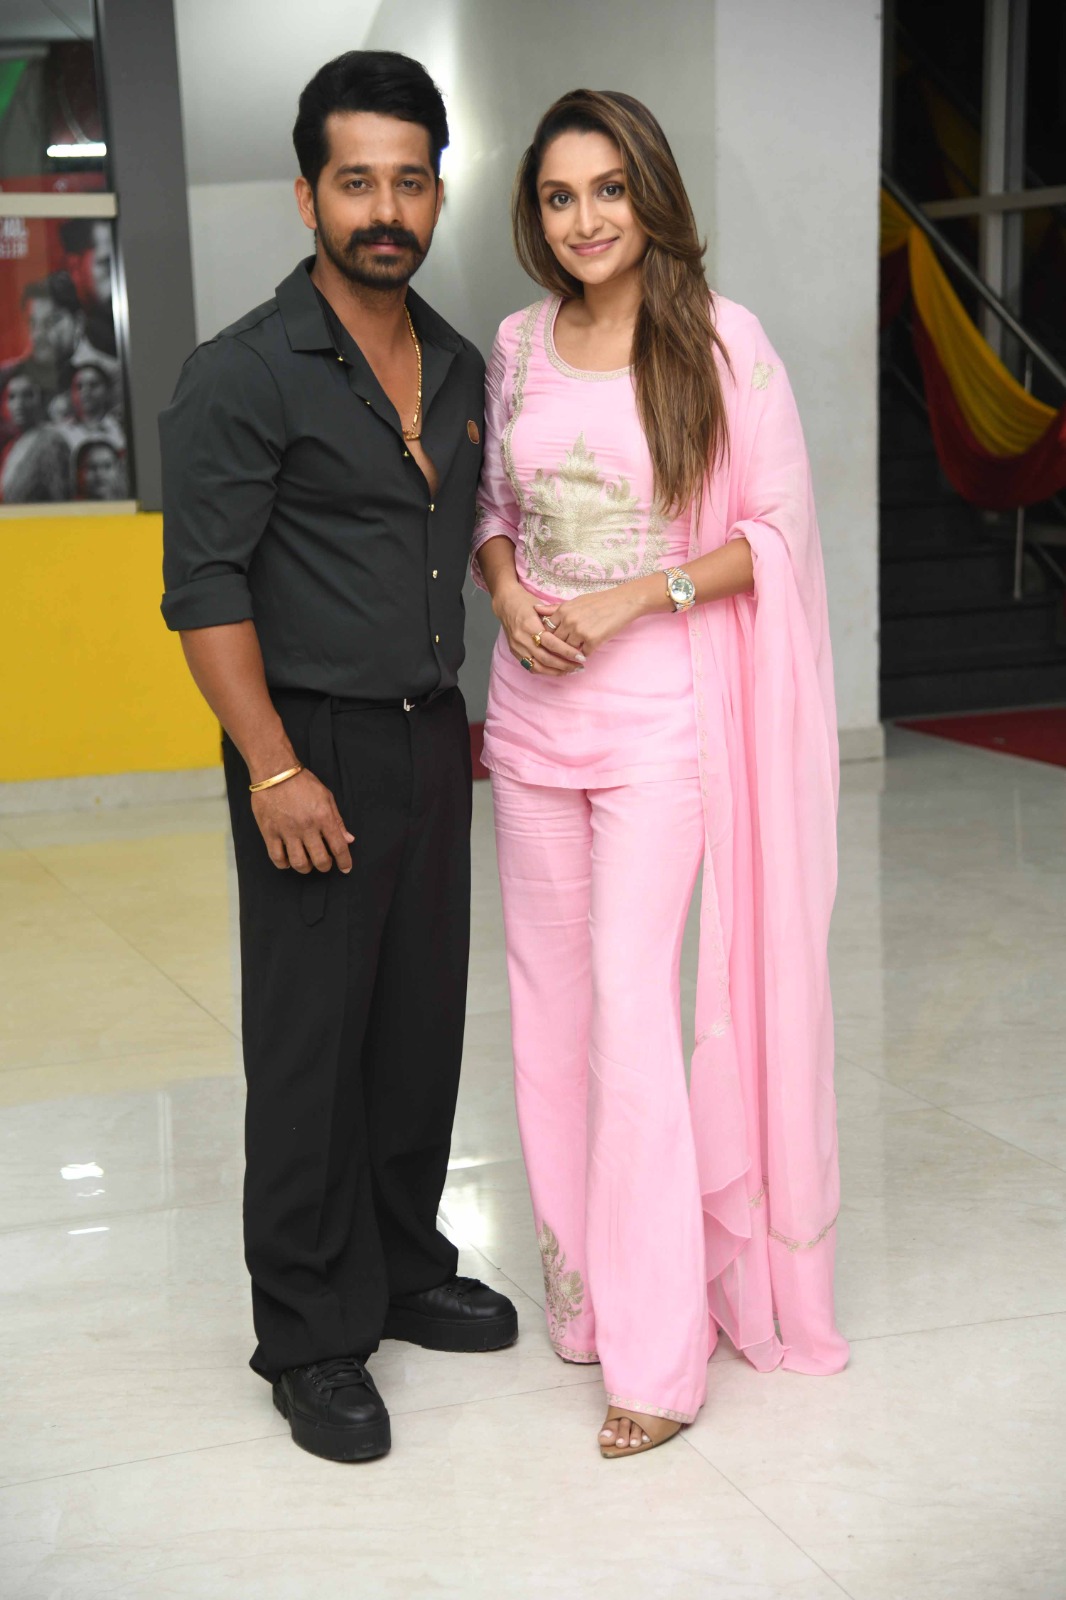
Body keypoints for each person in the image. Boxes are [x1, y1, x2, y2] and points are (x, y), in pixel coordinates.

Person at [472, 89, 848, 1459]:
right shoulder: (517, 345)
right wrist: (506, 592)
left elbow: (774, 532)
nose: (585, 219)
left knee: (632, 1014)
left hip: (656, 727)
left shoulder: (720, 340)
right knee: (546, 1015)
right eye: (559, 195)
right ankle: (584, 1301)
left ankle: (656, 1359)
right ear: (536, 212)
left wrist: (640, 593)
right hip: (528, 722)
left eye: (608, 189)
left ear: (650, 194)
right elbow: (494, 515)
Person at [160, 50, 516, 1465]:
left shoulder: (463, 363)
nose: (385, 208)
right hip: (305, 745)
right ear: (307, 195)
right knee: (312, 1042)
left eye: (408, 181)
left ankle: (402, 1262)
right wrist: (269, 765)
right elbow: (204, 590)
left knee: (417, 1022)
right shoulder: (243, 372)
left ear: (437, 192)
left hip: (433, 733)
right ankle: (310, 1332)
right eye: (355, 181)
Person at [0, 371, 71, 503]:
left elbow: (61, 500)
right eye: (12, 397)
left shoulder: (52, 443)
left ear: (41, 399)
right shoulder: (11, 447)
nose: (19, 404)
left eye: (28, 395)